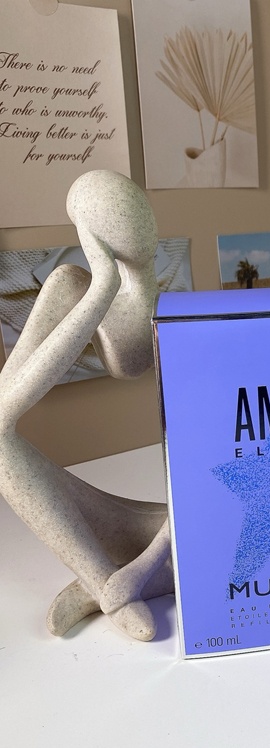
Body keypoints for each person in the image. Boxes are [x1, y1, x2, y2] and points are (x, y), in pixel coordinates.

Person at [0, 170, 172, 639]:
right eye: (117, 214)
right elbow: (6, 403)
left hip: (185, 516)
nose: (139, 225)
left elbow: (205, 459)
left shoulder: (178, 313)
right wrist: (101, 288)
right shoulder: (71, 286)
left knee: (220, 529)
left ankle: (117, 583)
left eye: (136, 209)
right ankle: (104, 583)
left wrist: (142, 569)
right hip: (118, 523)